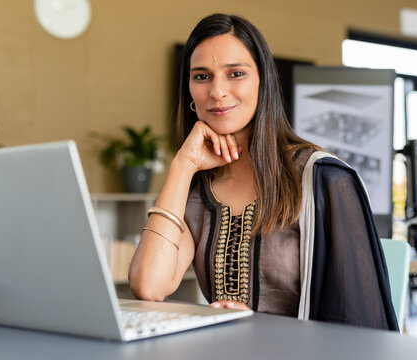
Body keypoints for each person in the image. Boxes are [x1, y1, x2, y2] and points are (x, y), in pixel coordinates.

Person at [128, 13, 398, 331]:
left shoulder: (323, 179)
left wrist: (260, 326)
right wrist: (182, 165)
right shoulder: (197, 192)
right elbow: (148, 286)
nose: (217, 91)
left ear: (263, 81)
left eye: (236, 73)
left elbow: (358, 324)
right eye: (201, 77)